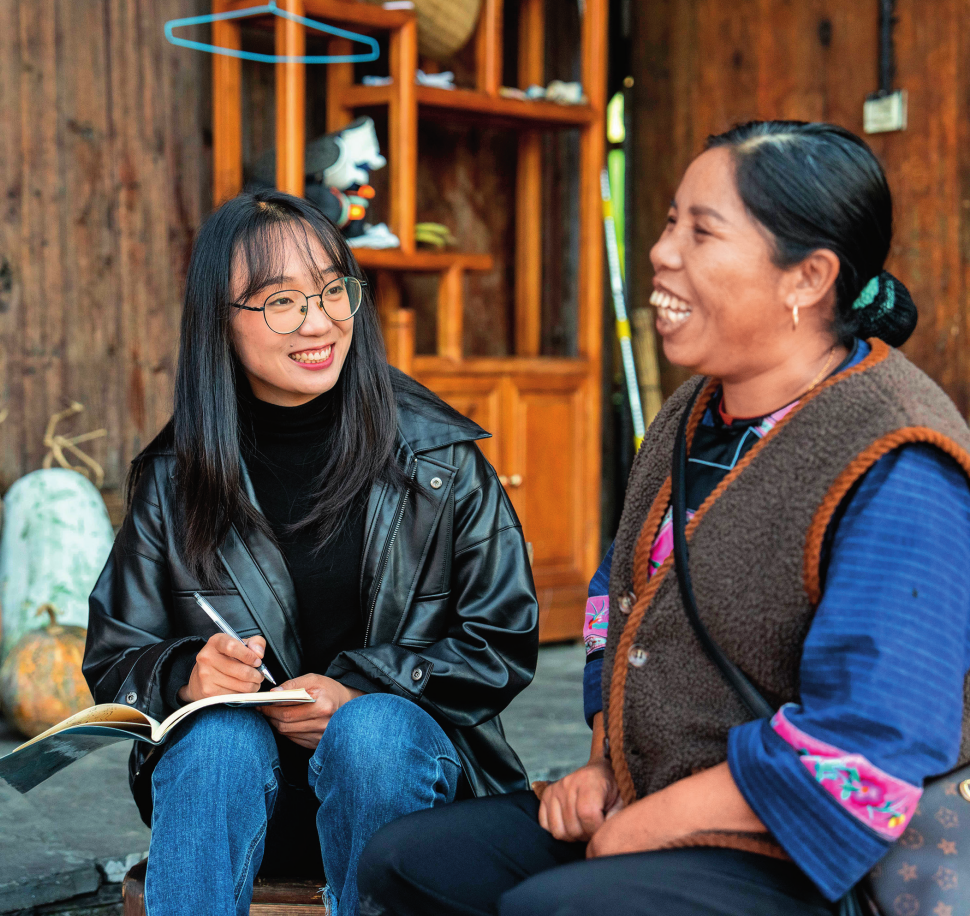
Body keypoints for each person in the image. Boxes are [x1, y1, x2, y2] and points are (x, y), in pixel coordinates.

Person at [355, 121, 970, 916]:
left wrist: (652, 823)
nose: (662, 251)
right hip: (662, 790)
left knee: (557, 908)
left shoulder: (897, 456)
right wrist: (603, 764)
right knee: (407, 862)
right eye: (670, 220)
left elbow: (870, 744)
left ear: (807, 277)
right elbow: (623, 604)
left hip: (817, 855)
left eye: (702, 231)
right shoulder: (691, 414)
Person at [81, 189, 539, 916]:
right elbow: (115, 654)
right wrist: (183, 674)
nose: (319, 320)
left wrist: (358, 687)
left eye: (332, 290)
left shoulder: (438, 459)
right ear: (217, 323)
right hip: (243, 805)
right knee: (220, 736)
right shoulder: (175, 478)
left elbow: (502, 638)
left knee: (372, 730)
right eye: (280, 302)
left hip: (406, 791)